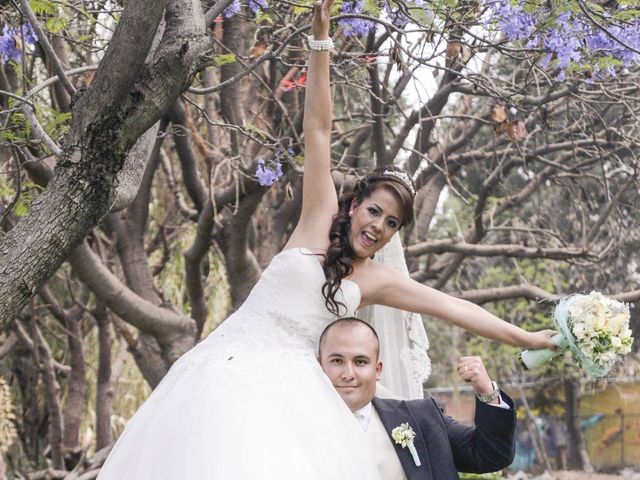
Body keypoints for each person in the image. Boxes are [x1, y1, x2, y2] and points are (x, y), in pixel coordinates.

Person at [97, 2, 555, 478]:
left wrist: (526, 336)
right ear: (354, 206)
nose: (378, 226)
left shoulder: (377, 279)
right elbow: (316, 131)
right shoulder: (316, 219)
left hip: (298, 391)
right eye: (374, 211)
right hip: (223, 367)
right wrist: (320, 42)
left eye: (392, 223)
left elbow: (457, 309)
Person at [318, 317, 517, 480]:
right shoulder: (295, 429)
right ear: (319, 365)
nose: (348, 373)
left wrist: (485, 389)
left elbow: (491, 455)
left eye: (360, 362)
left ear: (377, 370)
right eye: (337, 361)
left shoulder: (421, 418)